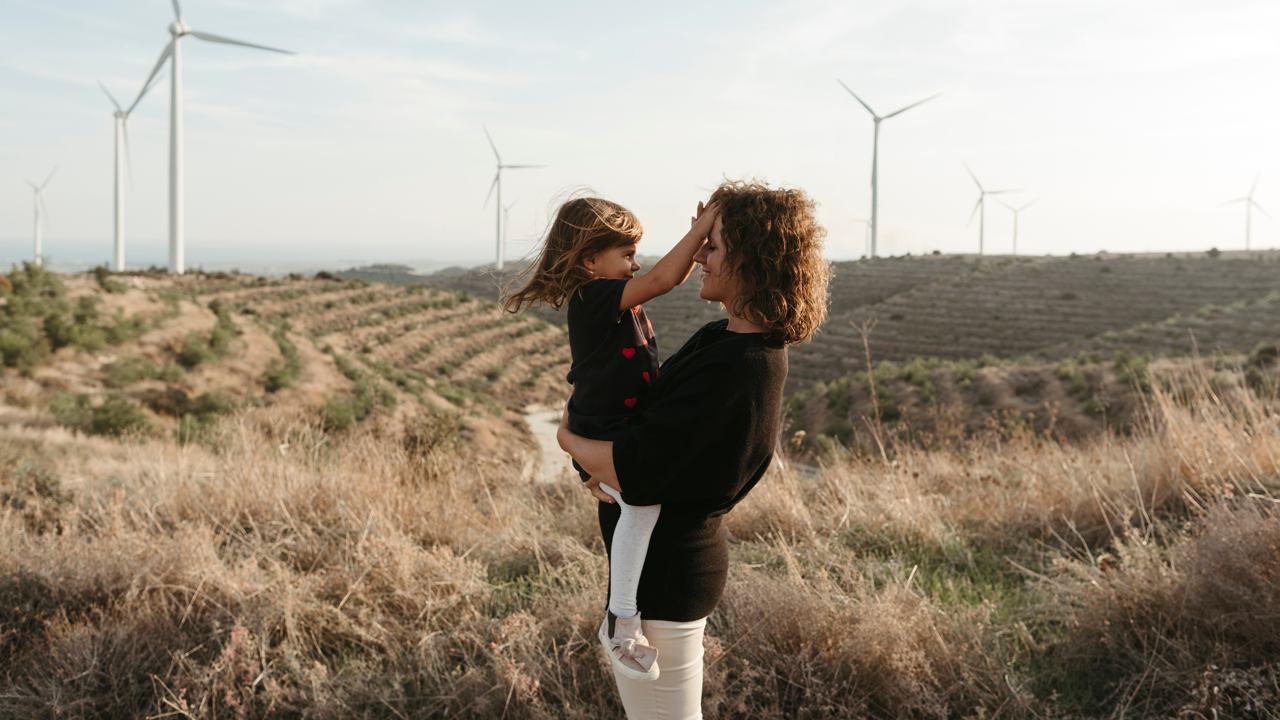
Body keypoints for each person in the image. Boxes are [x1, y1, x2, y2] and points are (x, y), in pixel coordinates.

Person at [557, 180, 830, 719]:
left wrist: (568, 440)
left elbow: (635, 465)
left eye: (715, 244)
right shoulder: (722, 342)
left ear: (752, 260)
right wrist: (591, 462)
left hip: (665, 587)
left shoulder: (742, 368)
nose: (701, 255)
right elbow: (644, 434)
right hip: (660, 582)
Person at [504, 195, 721, 681]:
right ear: (589, 261)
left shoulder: (619, 294)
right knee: (640, 510)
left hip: (612, 426)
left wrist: (699, 242)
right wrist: (702, 230)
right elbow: (664, 278)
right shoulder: (591, 297)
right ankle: (623, 622)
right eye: (626, 255)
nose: (635, 264)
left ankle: (626, 616)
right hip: (604, 429)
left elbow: (669, 276)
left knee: (634, 510)